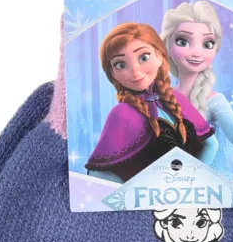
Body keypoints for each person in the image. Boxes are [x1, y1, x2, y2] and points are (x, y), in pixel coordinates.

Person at [161, 1, 233, 177]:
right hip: (172, 177)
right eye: (183, 41)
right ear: (167, 46)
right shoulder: (162, 97)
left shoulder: (214, 101)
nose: (196, 52)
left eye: (207, 44)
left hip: (214, 178)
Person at [85, 22, 215, 182]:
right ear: (112, 73)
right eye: (121, 65)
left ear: (159, 56)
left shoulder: (177, 99)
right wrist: (137, 192)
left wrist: (192, 180)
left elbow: (211, 144)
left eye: (144, 57)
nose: (135, 71)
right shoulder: (121, 114)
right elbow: (98, 174)